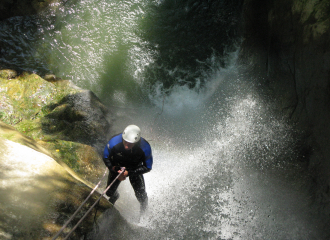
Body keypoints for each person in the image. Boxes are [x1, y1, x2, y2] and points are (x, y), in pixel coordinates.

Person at [103, 125, 153, 213]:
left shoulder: (145, 148)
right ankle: (115, 196)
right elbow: (106, 157)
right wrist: (113, 169)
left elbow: (148, 167)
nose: (126, 146)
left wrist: (129, 173)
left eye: (130, 144)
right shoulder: (114, 142)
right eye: (125, 142)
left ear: (137, 142)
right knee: (109, 192)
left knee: (141, 196)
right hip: (118, 166)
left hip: (134, 169)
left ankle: (144, 214)